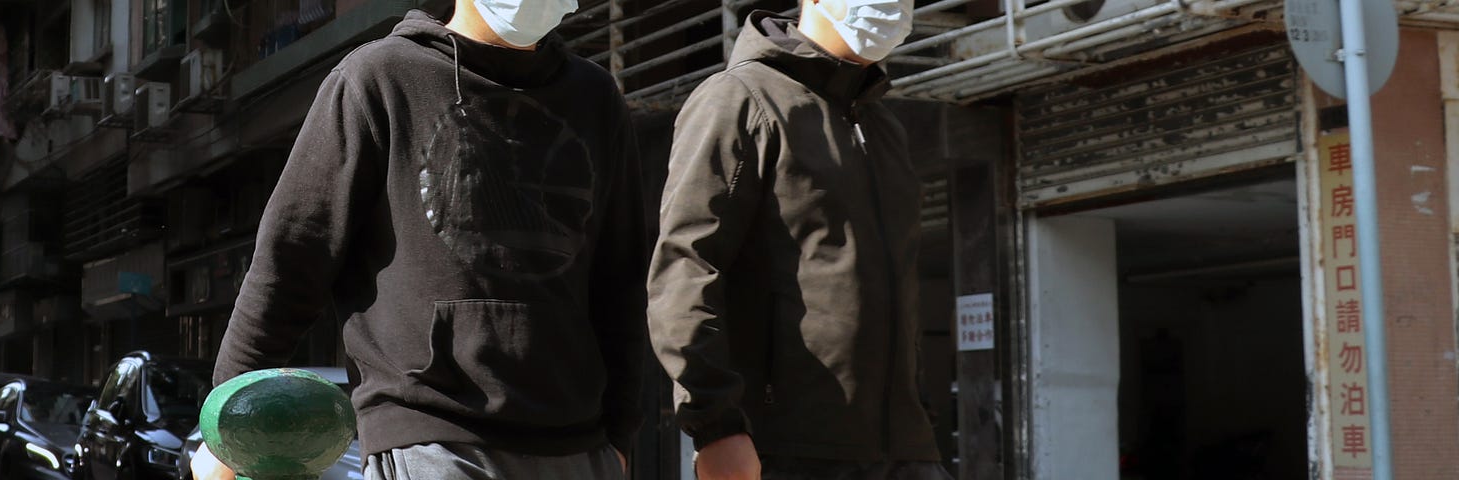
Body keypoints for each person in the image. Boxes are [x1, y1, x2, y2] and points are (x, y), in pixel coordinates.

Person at [190, 0, 648, 477]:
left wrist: (619, 435)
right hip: (432, 438)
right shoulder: (380, 77)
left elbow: (622, 282)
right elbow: (292, 257)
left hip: (580, 445)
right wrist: (229, 424)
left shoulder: (595, 97)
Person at [646, 0, 955, 479]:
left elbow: (899, 293)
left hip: (908, 449)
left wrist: (919, 405)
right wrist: (716, 424)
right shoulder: (741, 99)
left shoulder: (884, 125)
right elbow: (686, 267)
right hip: (786, 446)